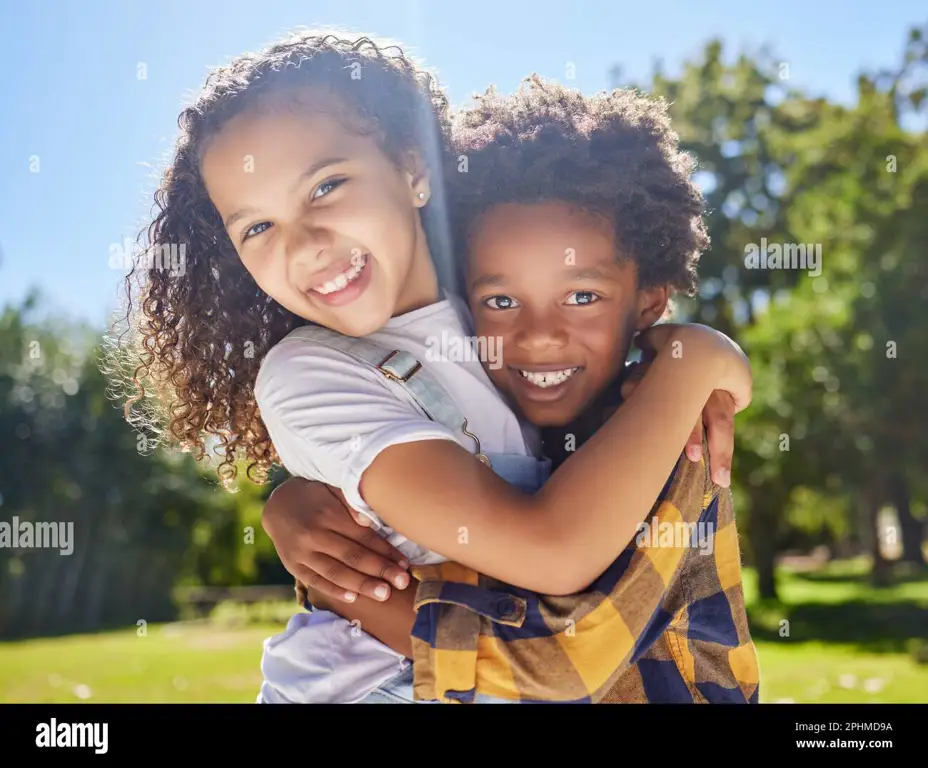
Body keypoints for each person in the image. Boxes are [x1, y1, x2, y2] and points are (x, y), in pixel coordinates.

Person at [105, 29, 751, 705]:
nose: (306, 245)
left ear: (412, 169)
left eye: (326, 186)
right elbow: (553, 552)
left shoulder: (495, 318)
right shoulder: (308, 374)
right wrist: (695, 360)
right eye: (257, 228)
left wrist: (691, 357)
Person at [260, 76, 759, 704]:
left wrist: (702, 356)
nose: (539, 338)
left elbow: (554, 663)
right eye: (499, 300)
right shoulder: (499, 406)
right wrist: (295, 500)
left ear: (650, 302)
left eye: (582, 297)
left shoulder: (675, 438)